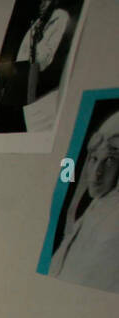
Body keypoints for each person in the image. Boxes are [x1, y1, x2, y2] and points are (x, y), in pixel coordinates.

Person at [48, 109, 119, 292]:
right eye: (94, 159)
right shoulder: (95, 207)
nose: (97, 172)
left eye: (109, 160)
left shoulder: (112, 220)